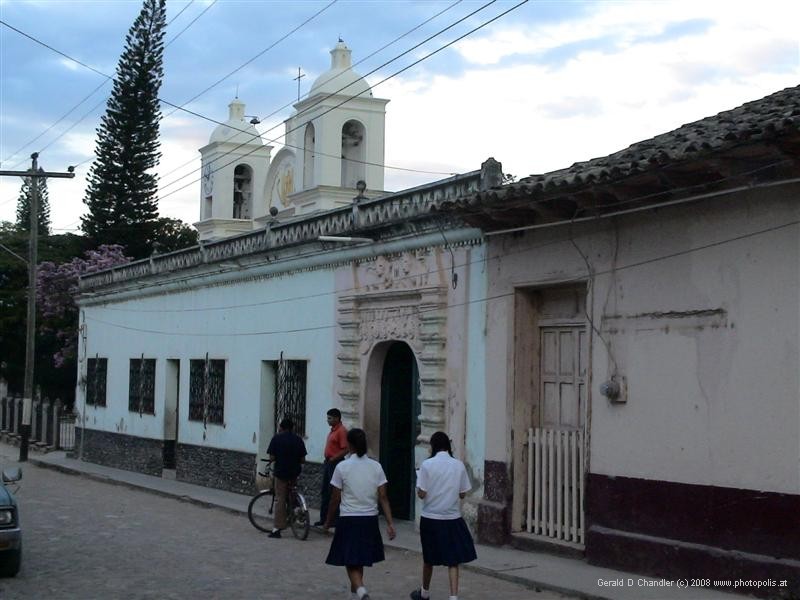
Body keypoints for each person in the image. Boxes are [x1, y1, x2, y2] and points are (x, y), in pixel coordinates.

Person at [324, 428, 396, 600]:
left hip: (349, 518)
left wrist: (328, 520)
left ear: (349, 445)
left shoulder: (342, 467)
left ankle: (361, 591)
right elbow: (383, 497)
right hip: (370, 518)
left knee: (350, 559)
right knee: (360, 557)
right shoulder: (376, 466)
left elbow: (334, 498)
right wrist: (390, 522)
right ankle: (353, 593)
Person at [410, 432, 477, 600]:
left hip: (431, 517)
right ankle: (453, 596)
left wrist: (420, 488)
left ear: (432, 446)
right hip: (452, 517)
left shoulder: (426, 465)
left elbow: (422, 494)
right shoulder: (459, 465)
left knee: (429, 558)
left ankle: (424, 592)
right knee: (453, 560)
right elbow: (463, 494)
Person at [265, 417, 307, 539]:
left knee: (280, 499)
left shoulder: (276, 439)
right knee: (292, 493)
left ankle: (277, 528)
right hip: (294, 472)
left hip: (281, 472)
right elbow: (303, 460)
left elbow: (272, 457)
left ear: (281, 427)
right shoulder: (298, 439)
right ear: (292, 428)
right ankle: (295, 513)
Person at [314, 408, 348, 527]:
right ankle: (324, 519)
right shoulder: (333, 431)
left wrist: (334, 458)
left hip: (335, 463)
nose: (327, 420)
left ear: (337, 418)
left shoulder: (341, 431)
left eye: (330, 418)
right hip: (328, 462)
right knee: (325, 491)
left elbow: (345, 449)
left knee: (333, 491)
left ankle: (333, 520)